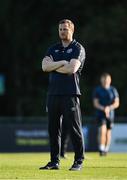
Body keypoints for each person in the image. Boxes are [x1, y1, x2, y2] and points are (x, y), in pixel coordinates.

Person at [40, 19, 86, 170]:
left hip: (70, 94)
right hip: (53, 94)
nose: (62, 32)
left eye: (65, 29)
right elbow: (44, 67)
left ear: (72, 30)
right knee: (53, 129)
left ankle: (78, 161)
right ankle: (54, 161)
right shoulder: (53, 48)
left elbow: (71, 69)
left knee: (74, 129)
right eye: (60, 29)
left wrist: (54, 65)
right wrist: (62, 63)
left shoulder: (78, 48)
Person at [93, 73, 119, 156]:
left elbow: (117, 103)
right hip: (100, 114)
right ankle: (101, 148)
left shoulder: (113, 90)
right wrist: (103, 108)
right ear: (101, 80)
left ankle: (106, 149)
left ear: (110, 80)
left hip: (110, 115)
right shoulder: (98, 90)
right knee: (102, 130)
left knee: (108, 132)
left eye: (107, 80)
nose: (105, 81)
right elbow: (95, 103)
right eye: (104, 80)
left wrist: (109, 108)